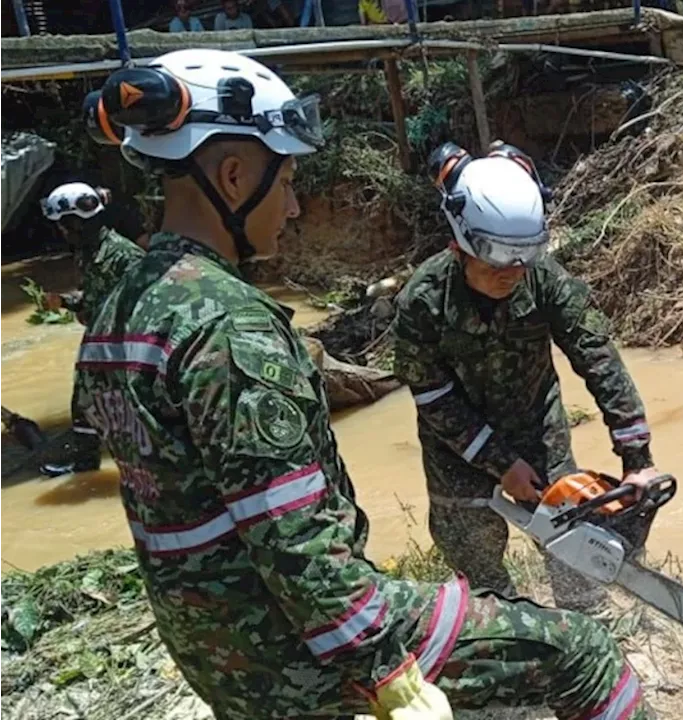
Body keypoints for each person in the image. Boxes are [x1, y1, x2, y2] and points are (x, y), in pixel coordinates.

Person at [75, 48, 650, 720]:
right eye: (286, 181)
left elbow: (596, 352)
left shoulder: (121, 305)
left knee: (566, 580)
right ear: (233, 176)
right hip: (288, 641)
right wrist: (389, 673)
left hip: (211, 639)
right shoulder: (236, 328)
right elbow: (293, 538)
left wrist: (636, 456)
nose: (291, 207)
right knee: (580, 654)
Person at [391, 140, 662, 618]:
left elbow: (596, 354)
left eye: (524, 256)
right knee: (479, 574)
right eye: (498, 259)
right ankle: (509, 641)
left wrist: (636, 458)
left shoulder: (545, 280)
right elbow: (433, 397)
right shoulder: (422, 302)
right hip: (458, 450)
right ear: (460, 242)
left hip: (538, 432)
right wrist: (500, 464)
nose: (512, 272)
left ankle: (587, 626)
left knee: (573, 550)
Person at [38, 181, 145, 477]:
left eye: (64, 224)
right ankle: (86, 469)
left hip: (124, 349)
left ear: (76, 222)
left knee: (132, 414)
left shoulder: (125, 256)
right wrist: (64, 302)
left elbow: (146, 305)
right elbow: (94, 298)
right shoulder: (88, 252)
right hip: (100, 346)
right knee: (84, 407)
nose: (61, 231)